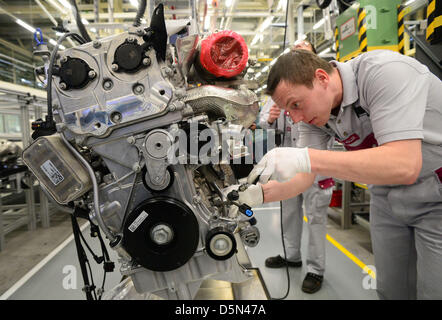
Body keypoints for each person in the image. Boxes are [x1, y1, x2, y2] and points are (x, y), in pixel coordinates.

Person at [234, 49, 442, 300]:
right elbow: (304, 176)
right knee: (391, 290)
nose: (296, 118)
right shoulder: (315, 116)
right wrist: (261, 194)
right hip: (385, 195)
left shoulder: (384, 73)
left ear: (322, 78)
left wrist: (305, 158)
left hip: (435, 196)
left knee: (434, 291)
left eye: (296, 105)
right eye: (289, 111)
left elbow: (405, 165)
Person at [256, 39, 334, 294]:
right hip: (289, 165)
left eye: (304, 55)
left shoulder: (322, 94)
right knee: (288, 212)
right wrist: (269, 119)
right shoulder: (282, 92)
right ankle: (291, 255)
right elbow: (261, 125)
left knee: (316, 217)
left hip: (316, 162)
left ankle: (315, 269)